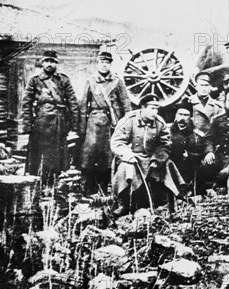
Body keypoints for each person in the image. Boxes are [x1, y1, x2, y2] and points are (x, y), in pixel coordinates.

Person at [111, 94, 184, 216]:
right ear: (142, 107)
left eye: (156, 109)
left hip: (152, 157)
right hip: (132, 156)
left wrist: (157, 158)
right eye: (151, 108)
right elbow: (117, 142)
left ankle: (170, 202)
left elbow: (165, 144)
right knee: (126, 167)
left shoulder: (159, 123)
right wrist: (127, 155)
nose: (155, 112)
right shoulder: (129, 120)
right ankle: (123, 203)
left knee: (168, 165)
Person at [22, 50, 80, 185]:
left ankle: (55, 185)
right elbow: (26, 103)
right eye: (47, 61)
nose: (49, 64)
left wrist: (75, 125)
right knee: (38, 158)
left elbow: (72, 102)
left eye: (52, 61)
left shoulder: (63, 80)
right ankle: (39, 185)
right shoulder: (35, 80)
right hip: (40, 123)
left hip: (59, 122)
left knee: (57, 158)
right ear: (42, 63)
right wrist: (27, 125)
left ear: (56, 63)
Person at [79, 51, 132, 195]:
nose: (104, 65)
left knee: (108, 156)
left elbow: (126, 104)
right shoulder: (91, 81)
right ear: (97, 64)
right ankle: (88, 187)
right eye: (102, 62)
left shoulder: (117, 81)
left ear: (110, 65)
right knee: (90, 155)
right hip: (93, 123)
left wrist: (127, 125)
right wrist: (82, 129)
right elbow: (84, 105)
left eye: (107, 63)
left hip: (112, 123)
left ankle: (106, 186)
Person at [169, 99, 214, 194]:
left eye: (186, 115)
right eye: (180, 114)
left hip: (190, 170)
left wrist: (209, 153)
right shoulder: (167, 132)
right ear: (175, 115)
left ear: (191, 118)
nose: (182, 117)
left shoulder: (196, 134)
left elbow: (206, 145)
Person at [188, 71, 224, 137]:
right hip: (193, 141)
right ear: (196, 86)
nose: (204, 88)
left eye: (206, 85)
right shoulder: (187, 103)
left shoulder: (218, 107)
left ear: (210, 87)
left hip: (211, 141)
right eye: (201, 85)